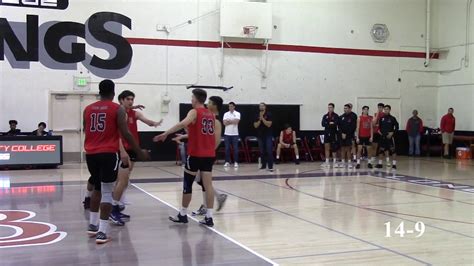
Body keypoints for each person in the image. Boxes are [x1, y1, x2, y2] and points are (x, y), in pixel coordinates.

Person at [84, 79, 147, 244]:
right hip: (108, 154)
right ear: (113, 93)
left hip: (90, 153)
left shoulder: (88, 109)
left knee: (96, 187)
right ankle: (102, 233)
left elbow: (86, 129)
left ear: (99, 91)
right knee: (106, 191)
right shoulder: (117, 109)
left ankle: (92, 225)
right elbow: (126, 133)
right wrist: (139, 151)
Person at [154, 89, 219, 227]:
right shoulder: (211, 115)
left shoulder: (194, 112)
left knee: (187, 184)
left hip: (196, 154)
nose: (191, 100)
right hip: (209, 155)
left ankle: (183, 214)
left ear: (195, 99)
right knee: (208, 186)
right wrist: (185, 136)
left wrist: (165, 133)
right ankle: (209, 217)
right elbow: (202, 134)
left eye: (192, 97)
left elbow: (183, 124)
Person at [109, 90, 162, 225]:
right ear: (121, 100)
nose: (131, 101)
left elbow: (147, 121)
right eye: (128, 99)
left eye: (132, 99)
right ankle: (113, 208)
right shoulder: (118, 112)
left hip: (133, 148)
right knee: (122, 180)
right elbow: (120, 112)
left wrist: (155, 123)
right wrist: (122, 151)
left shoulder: (135, 113)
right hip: (122, 149)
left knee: (124, 180)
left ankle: (117, 204)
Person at [193, 96, 228, 215]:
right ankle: (216, 197)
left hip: (208, 154)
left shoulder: (216, 120)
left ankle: (208, 203)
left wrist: (206, 154)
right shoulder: (207, 117)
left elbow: (216, 141)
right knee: (200, 179)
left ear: (215, 106)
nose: (207, 104)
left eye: (210, 102)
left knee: (203, 180)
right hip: (202, 153)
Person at [376, 105, 399, 169]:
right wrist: (380, 132)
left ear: (389, 110)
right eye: (385, 109)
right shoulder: (381, 118)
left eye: (387, 109)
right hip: (383, 137)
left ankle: (394, 165)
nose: (386, 110)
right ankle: (380, 164)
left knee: (393, 150)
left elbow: (397, 127)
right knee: (381, 150)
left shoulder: (392, 118)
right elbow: (379, 128)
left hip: (389, 138)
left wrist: (392, 132)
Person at [253, 103, 274, 171]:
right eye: (260, 106)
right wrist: (259, 120)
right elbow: (255, 125)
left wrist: (262, 118)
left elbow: (269, 124)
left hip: (268, 135)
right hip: (260, 135)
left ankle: (270, 166)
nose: (261, 107)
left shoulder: (269, 114)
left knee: (269, 151)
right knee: (262, 151)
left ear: (265, 107)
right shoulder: (256, 114)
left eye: (262, 106)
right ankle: (263, 165)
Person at [321, 103, 341, 168]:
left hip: (333, 133)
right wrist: (330, 123)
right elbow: (323, 124)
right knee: (326, 147)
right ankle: (327, 162)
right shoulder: (325, 116)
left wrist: (329, 123)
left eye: (331, 107)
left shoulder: (336, 116)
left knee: (333, 148)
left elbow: (335, 124)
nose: (330, 108)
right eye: (329, 107)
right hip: (326, 133)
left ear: (333, 108)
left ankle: (335, 162)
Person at [339, 104, 357, 168]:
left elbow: (353, 127)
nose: (345, 109)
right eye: (344, 108)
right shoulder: (341, 117)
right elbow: (339, 127)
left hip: (349, 135)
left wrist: (346, 134)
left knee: (348, 149)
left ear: (350, 109)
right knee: (342, 149)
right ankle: (343, 162)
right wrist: (342, 133)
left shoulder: (353, 116)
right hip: (342, 135)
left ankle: (349, 163)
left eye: (346, 108)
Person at [223, 102, 241, 168]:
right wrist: (232, 121)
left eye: (231, 106)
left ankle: (236, 162)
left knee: (235, 148)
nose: (230, 107)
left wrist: (229, 121)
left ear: (234, 107)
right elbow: (224, 123)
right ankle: (227, 161)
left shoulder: (237, 113)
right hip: (227, 134)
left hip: (235, 134)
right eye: (229, 106)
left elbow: (237, 122)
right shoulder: (226, 114)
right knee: (227, 148)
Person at [370, 103, 385, 168]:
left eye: (381, 107)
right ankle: (373, 159)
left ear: (383, 108)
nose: (380, 108)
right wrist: (377, 114)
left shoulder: (384, 115)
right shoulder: (376, 114)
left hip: (381, 133)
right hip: (375, 132)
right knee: (374, 147)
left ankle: (380, 162)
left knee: (381, 148)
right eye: (379, 107)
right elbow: (373, 124)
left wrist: (379, 125)